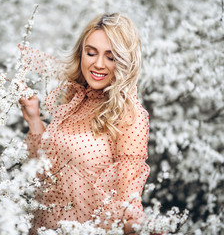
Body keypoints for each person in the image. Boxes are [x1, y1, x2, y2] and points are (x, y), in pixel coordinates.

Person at [19, 13, 150, 235]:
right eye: (91, 53)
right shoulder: (77, 99)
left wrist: (137, 225)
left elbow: (130, 192)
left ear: (125, 62)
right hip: (44, 227)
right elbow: (45, 171)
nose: (98, 64)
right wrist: (34, 119)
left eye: (111, 57)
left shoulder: (130, 115)